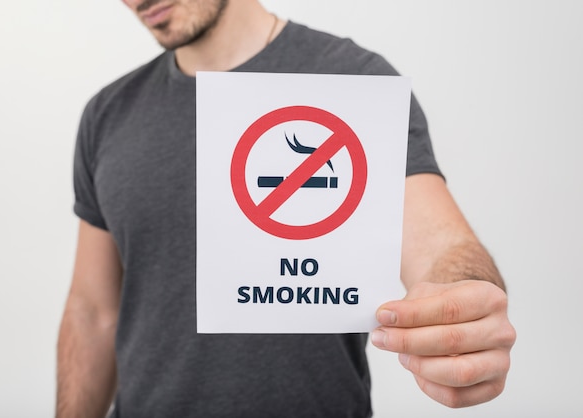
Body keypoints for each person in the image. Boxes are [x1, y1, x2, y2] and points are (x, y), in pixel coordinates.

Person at [56, 0, 516, 417]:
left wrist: (464, 304)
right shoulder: (108, 115)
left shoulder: (355, 82)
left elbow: (442, 248)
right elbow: (92, 310)